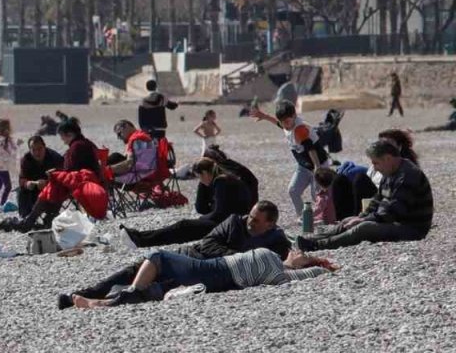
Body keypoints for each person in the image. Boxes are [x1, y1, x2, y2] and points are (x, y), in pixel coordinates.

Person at [64, 201, 291, 307]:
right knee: (135, 270)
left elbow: (278, 264)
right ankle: (86, 293)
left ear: (270, 225)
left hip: (206, 275)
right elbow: (208, 243)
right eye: (250, 216)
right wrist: (235, 257)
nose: (249, 222)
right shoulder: (234, 222)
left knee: (154, 287)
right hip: (192, 257)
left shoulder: (277, 241)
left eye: (256, 220)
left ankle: (100, 302)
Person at [65, 247, 334, 309]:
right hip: (217, 277)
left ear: (302, 264)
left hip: (214, 271)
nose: (297, 251)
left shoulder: (279, 271)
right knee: (160, 288)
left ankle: (130, 291)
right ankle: (101, 303)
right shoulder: (277, 269)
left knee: (159, 257)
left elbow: (312, 273)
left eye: (303, 254)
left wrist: (321, 266)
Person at [297, 140, 432, 252]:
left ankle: (319, 246)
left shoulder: (407, 175)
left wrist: (364, 220)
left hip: (412, 228)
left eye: (375, 163)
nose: (374, 167)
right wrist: (360, 216)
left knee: (363, 228)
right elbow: (378, 199)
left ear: (387, 158)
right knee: (348, 221)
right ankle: (314, 239)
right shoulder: (391, 172)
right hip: (397, 221)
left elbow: (393, 212)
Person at [119, 157, 255, 248]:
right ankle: (140, 237)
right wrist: (203, 185)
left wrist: (201, 219)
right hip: (227, 222)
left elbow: (219, 214)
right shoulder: (221, 180)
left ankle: (141, 240)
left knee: (183, 226)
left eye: (199, 177)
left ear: (205, 173)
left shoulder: (222, 182)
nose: (200, 181)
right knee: (183, 226)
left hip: (229, 226)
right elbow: (201, 208)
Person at [11, 120, 104, 231]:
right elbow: (22, 179)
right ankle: (32, 218)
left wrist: (53, 175)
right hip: (79, 181)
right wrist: (29, 183)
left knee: (53, 187)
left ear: (69, 134)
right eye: (33, 150)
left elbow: (70, 170)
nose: (63, 141)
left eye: (62, 137)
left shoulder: (76, 147)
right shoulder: (81, 144)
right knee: (25, 190)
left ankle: (35, 220)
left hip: (84, 182)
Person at [251, 99, 328, 216]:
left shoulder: (300, 129)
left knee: (316, 195)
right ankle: (302, 217)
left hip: (318, 164)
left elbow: (311, 149)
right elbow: (278, 123)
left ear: (294, 116)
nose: (284, 124)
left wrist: (317, 168)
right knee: (293, 190)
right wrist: (265, 116)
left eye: (286, 121)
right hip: (303, 166)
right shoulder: (286, 124)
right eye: (282, 121)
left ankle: (326, 216)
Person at [7, 135, 63, 227]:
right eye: (33, 150)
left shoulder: (55, 157)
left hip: (52, 188)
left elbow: (63, 175)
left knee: (57, 190)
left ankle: (50, 216)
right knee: (21, 191)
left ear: (44, 147)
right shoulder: (26, 159)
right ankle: (26, 218)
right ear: (30, 150)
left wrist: (47, 182)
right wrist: (27, 183)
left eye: (40, 149)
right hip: (34, 189)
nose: (37, 152)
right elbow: (22, 179)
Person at [109, 120, 157, 185]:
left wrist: (109, 169)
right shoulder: (144, 136)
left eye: (119, 133)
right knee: (115, 157)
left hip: (135, 175)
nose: (119, 137)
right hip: (149, 171)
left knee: (115, 156)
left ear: (126, 126)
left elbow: (129, 163)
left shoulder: (135, 140)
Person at [0, 119, 20, 206]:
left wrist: (16, 143)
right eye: (7, 128)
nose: (8, 130)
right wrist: (8, 139)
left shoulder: (5, 139)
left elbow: (11, 149)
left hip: (2, 165)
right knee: (8, 186)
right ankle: (2, 203)